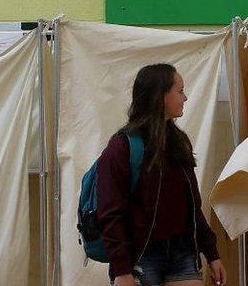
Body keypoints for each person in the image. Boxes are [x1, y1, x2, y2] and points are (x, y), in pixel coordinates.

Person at [97, 63, 228, 286]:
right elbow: (110, 213)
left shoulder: (179, 142)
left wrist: (212, 253)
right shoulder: (122, 147)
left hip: (183, 252)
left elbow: (192, 205)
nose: (185, 98)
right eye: (180, 91)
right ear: (161, 96)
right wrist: (121, 270)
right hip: (141, 256)